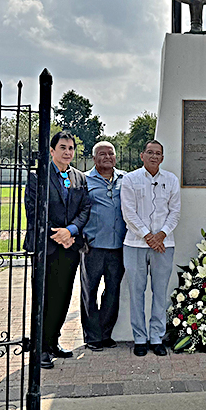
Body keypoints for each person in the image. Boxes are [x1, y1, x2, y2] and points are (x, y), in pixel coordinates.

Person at [24, 131, 91, 368]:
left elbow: (85, 208)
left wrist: (71, 231)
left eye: (71, 148)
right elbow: (35, 212)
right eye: (62, 147)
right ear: (52, 151)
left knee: (63, 297)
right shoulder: (37, 177)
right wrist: (58, 235)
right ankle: (40, 347)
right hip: (46, 248)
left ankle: (53, 342)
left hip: (70, 247)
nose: (67, 152)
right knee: (45, 297)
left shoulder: (80, 178)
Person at [120, 140, 182, 357]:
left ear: (162, 158)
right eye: (150, 152)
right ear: (142, 155)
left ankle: (156, 337)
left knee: (160, 293)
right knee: (136, 292)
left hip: (164, 245)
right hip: (135, 244)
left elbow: (174, 212)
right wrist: (148, 236)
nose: (154, 156)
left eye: (158, 153)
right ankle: (140, 338)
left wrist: (161, 235)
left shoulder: (171, 180)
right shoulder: (130, 179)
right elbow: (128, 212)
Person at [80, 141, 127, 351]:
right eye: (102, 154)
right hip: (93, 246)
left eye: (110, 153)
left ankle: (105, 334)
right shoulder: (84, 181)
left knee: (112, 290)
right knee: (89, 291)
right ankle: (92, 336)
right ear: (94, 158)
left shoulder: (125, 179)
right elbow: (76, 211)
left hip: (118, 246)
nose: (107, 157)